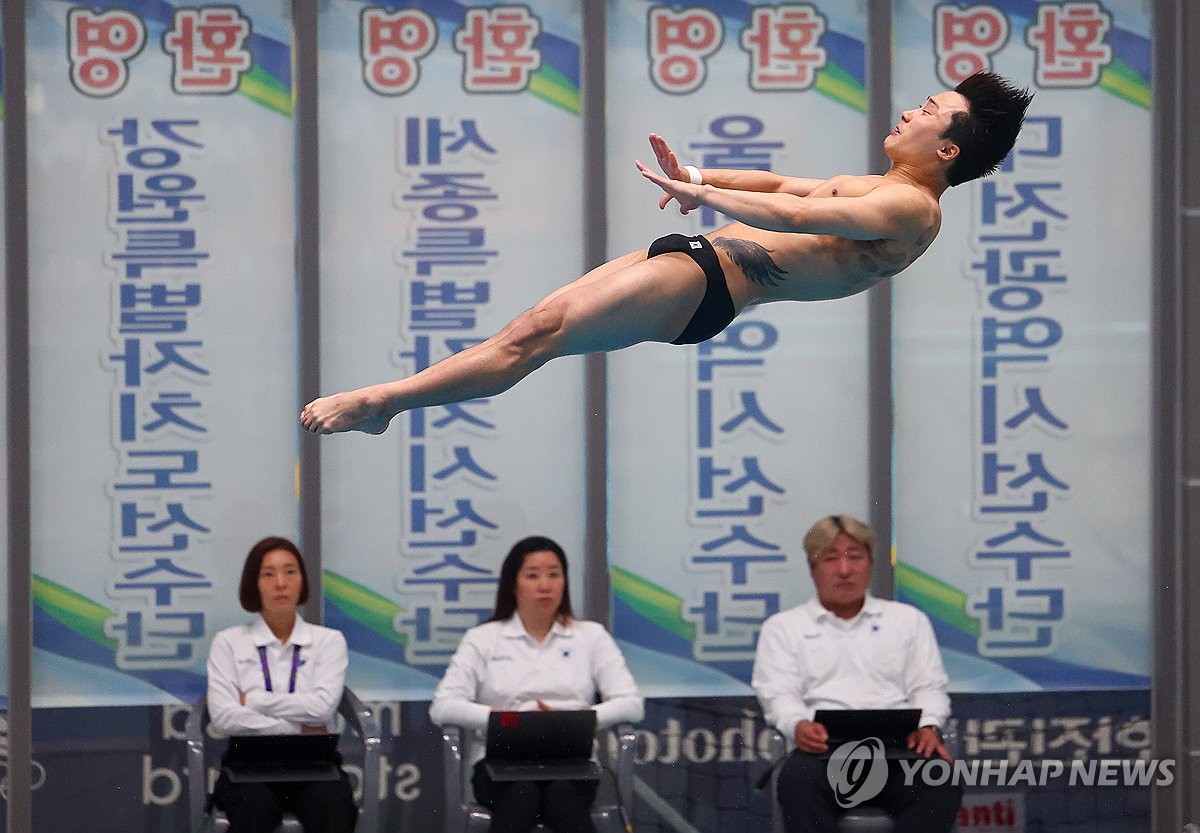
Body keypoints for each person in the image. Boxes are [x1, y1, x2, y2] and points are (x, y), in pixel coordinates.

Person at [301, 72, 1032, 435]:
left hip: (709, 286)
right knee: (532, 324)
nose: (909, 110)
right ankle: (392, 400)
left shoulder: (911, 206)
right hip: (695, 258)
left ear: (946, 148)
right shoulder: (883, 183)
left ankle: (385, 403)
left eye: (929, 112)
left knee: (536, 337)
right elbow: (780, 182)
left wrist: (708, 196)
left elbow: (794, 211)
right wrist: (699, 180)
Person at [751, 514, 962, 833]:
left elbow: (928, 686)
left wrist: (929, 725)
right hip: (823, 754)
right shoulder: (783, 628)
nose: (844, 569)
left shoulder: (907, 621)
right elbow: (778, 694)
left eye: (854, 557)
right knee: (797, 780)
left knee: (940, 777)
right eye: (831, 558)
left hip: (899, 750)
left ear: (870, 563)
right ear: (812, 569)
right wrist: (798, 725)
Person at [429, 535, 644, 833]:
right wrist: (509, 721)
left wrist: (571, 721)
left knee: (562, 793)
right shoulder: (483, 639)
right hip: (499, 766)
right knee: (523, 793)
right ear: (513, 584)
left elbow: (632, 703)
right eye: (533, 575)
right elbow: (442, 707)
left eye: (554, 574)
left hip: (572, 764)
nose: (545, 585)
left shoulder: (590, 636)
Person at [206, 536, 358, 833]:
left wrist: (251, 700)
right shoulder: (228, 642)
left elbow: (322, 708)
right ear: (254, 583)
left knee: (333, 806)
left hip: (315, 767)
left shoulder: (328, 641)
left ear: (302, 581)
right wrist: (296, 726)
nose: (280, 583)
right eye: (268, 574)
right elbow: (224, 718)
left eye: (290, 572)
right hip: (247, 768)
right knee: (254, 808)